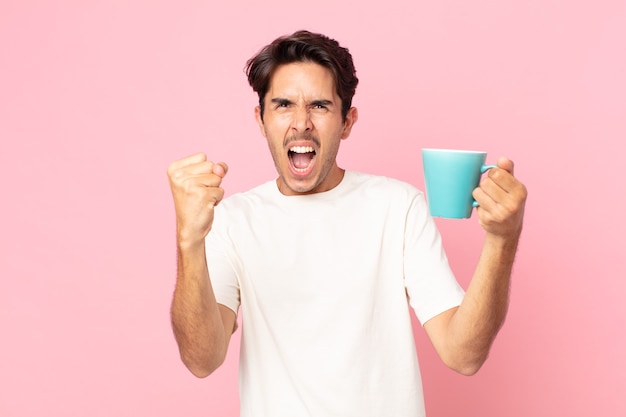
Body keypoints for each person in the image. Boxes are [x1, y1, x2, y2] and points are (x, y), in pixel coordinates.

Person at [167, 30, 527, 417]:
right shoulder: (233, 219)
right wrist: (189, 241)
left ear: (347, 122)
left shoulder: (398, 206)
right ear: (262, 119)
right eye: (284, 104)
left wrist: (502, 240)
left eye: (320, 106)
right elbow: (201, 359)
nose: (301, 123)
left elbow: (464, 354)